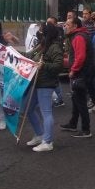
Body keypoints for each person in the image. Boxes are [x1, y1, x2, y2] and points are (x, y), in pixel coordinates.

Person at [25, 24, 64, 152]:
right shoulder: (41, 46)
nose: (39, 33)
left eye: (41, 32)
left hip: (46, 83)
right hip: (37, 82)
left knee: (46, 112)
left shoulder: (55, 47)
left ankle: (47, 141)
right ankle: (39, 134)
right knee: (29, 109)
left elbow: (58, 66)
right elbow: (28, 55)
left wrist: (44, 65)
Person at [59, 17, 93, 138]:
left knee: (80, 101)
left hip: (80, 74)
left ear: (75, 26)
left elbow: (81, 57)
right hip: (83, 72)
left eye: (68, 24)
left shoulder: (78, 37)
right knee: (75, 100)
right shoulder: (80, 35)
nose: (65, 27)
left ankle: (86, 130)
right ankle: (73, 123)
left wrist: (73, 70)